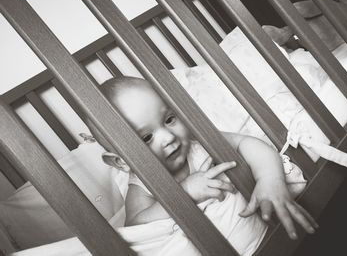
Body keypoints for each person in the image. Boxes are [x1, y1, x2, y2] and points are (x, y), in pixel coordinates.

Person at [87, 76, 318, 246]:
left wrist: (270, 178)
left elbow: (248, 143)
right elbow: (139, 227)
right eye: (146, 137)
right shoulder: (142, 186)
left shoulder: (199, 145)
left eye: (169, 119)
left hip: (274, 238)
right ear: (120, 162)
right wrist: (183, 193)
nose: (169, 137)